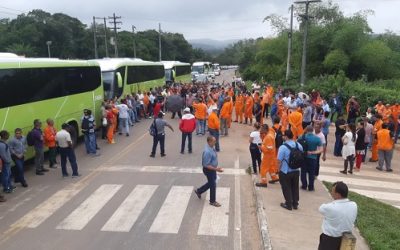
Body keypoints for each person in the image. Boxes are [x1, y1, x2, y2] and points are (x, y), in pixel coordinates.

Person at [318, 181, 357, 250]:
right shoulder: (354, 205)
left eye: (333, 191)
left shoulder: (330, 207)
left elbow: (321, 208)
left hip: (329, 240)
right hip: (345, 238)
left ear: (338, 195)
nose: (331, 193)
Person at [194, 136, 224, 207]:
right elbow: (206, 165)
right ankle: (212, 201)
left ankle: (199, 191)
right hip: (209, 170)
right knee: (213, 185)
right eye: (214, 141)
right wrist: (216, 169)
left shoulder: (211, 147)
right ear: (209, 142)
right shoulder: (207, 152)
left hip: (212, 169)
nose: (215, 142)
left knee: (212, 182)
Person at [277, 129, 302, 210]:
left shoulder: (283, 147)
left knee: (286, 187)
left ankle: (288, 204)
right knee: (295, 187)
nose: (282, 137)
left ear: (286, 137)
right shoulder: (298, 145)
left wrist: (278, 170)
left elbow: (279, 161)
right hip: (296, 170)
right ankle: (295, 204)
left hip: (286, 171)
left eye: (283, 135)